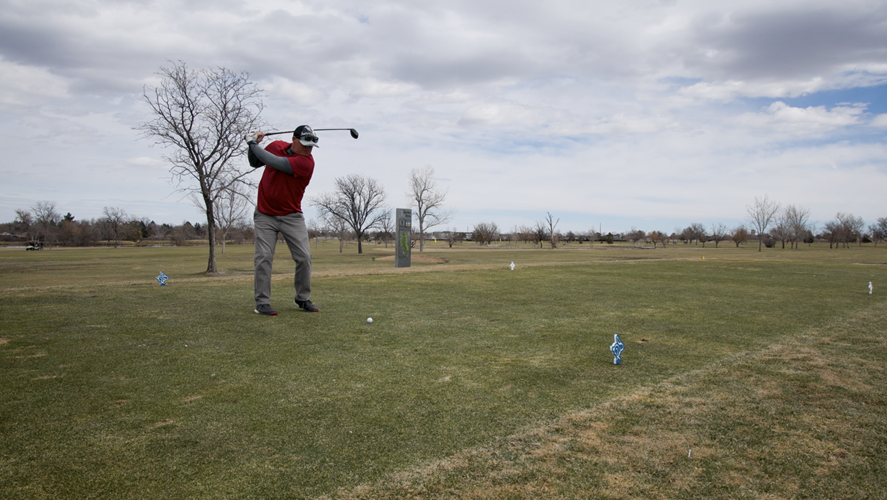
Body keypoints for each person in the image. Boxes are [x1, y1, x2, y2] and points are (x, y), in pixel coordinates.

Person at [245, 125, 320, 315]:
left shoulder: (306, 163)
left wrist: (253, 143)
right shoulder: (276, 145)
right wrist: (253, 146)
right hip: (265, 214)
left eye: (311, 146)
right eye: (304, 144)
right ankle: (262, 302)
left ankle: (302, 298)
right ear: (293, 139)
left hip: (291, 216)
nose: (307, 149)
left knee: (304, 257)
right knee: (263, 257)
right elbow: (256, 161)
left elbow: (273, 161)